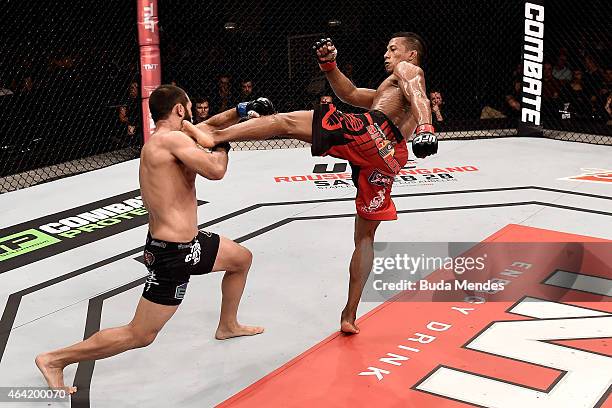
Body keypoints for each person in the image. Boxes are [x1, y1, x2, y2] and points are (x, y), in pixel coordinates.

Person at [35, 84, 275, 393]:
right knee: (140, 334)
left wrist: (242, 110)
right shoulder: (170, 142)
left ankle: (227, 326)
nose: (191, 113)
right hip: (171, 253)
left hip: (190, 243)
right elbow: (216, 170)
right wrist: (227, 140)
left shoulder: (169, 138)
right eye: (188, 108)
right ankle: (55, 359)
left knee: (241, 259)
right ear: (179, 109)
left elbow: (211, 125)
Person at [192, 33, 438, 334]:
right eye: (386, 48)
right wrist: (329, 65)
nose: (386, 54)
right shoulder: (386, 92)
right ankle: (349, 315)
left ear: (411, 55)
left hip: (375, 133)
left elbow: (418, 93)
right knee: (365, 237)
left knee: (285, 122)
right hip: (390, 156)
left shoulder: (409, 71)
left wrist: (427, 125)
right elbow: (348, 93)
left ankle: (213, 136)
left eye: (393, 49)